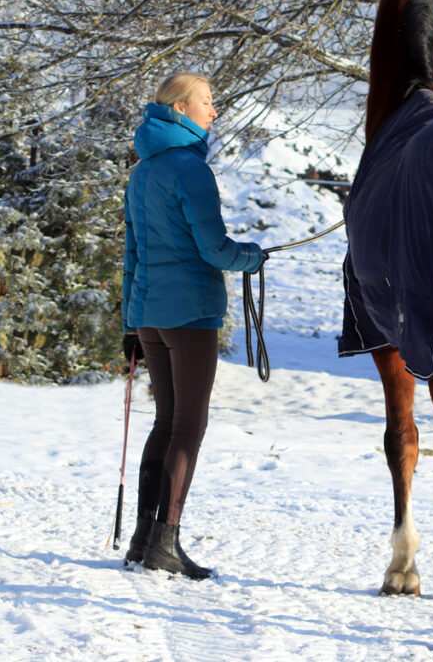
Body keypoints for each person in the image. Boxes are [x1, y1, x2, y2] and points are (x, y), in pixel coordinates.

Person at [121, 72, 264, 579]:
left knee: (165, 423)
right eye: (208, 101)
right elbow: (215, 250)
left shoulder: (142, 172)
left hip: (152, 319)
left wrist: (130, 322)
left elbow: (132, 255)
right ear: (180, 108)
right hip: (191, 314)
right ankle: (164, 544)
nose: (215, 110)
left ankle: (143, 539)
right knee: (188, 426)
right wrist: (252, 258)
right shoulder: (190, 170)